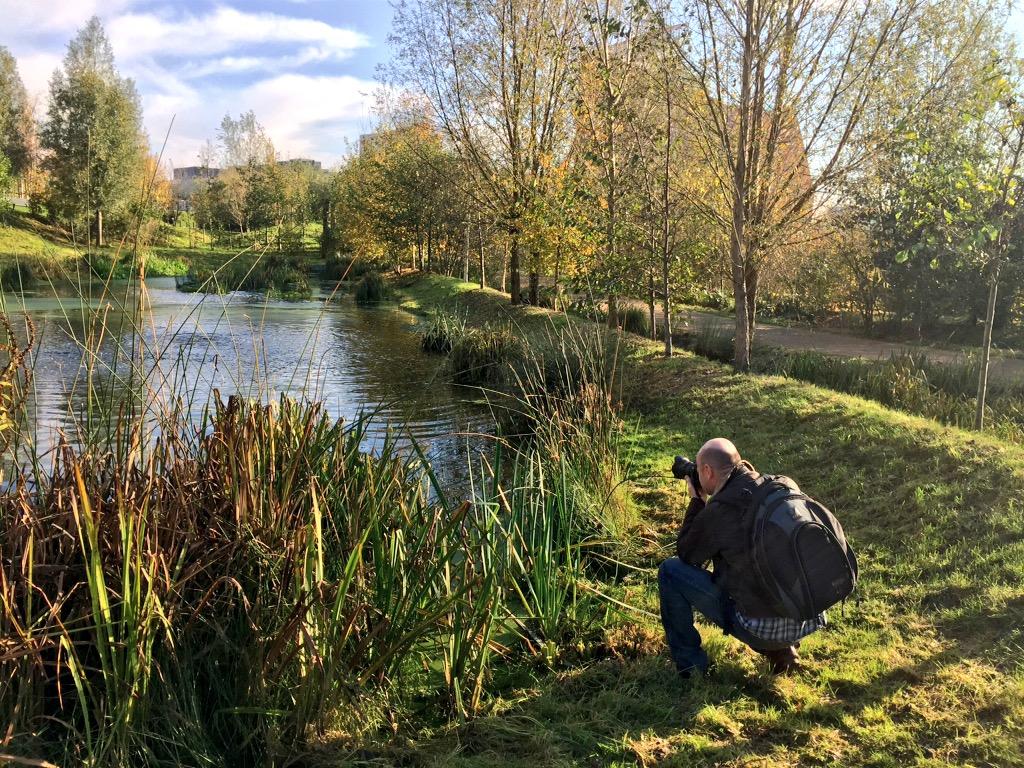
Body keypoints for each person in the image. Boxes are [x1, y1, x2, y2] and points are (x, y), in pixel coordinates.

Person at [658, 438, 826, 678]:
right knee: (761, 574)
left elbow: (687, 554)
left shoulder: (722, 510)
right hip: (807, 617)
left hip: (759, 629)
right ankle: (783, 652)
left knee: (670, 572)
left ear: (706, 471)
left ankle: (690, 666)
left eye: (698, 469)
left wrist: (697, 501)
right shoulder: (782, 486)